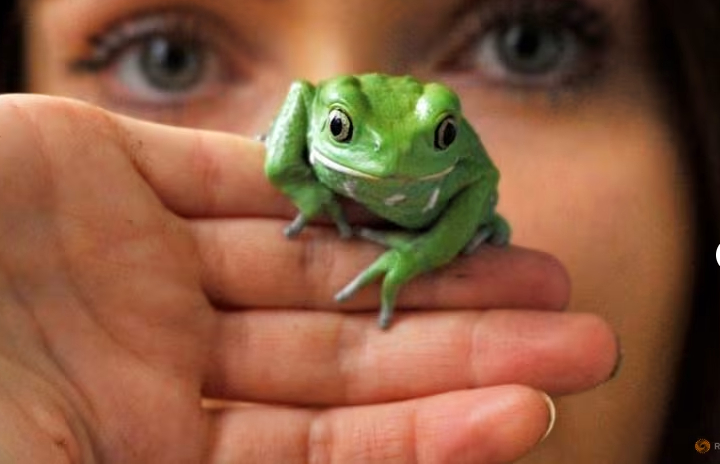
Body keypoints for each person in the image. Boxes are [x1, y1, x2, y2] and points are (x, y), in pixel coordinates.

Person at [0, 0, 717, 463]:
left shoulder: (470, 175)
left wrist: (422, 250)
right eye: (167, 61)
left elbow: (478, 189)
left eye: (526, 44)